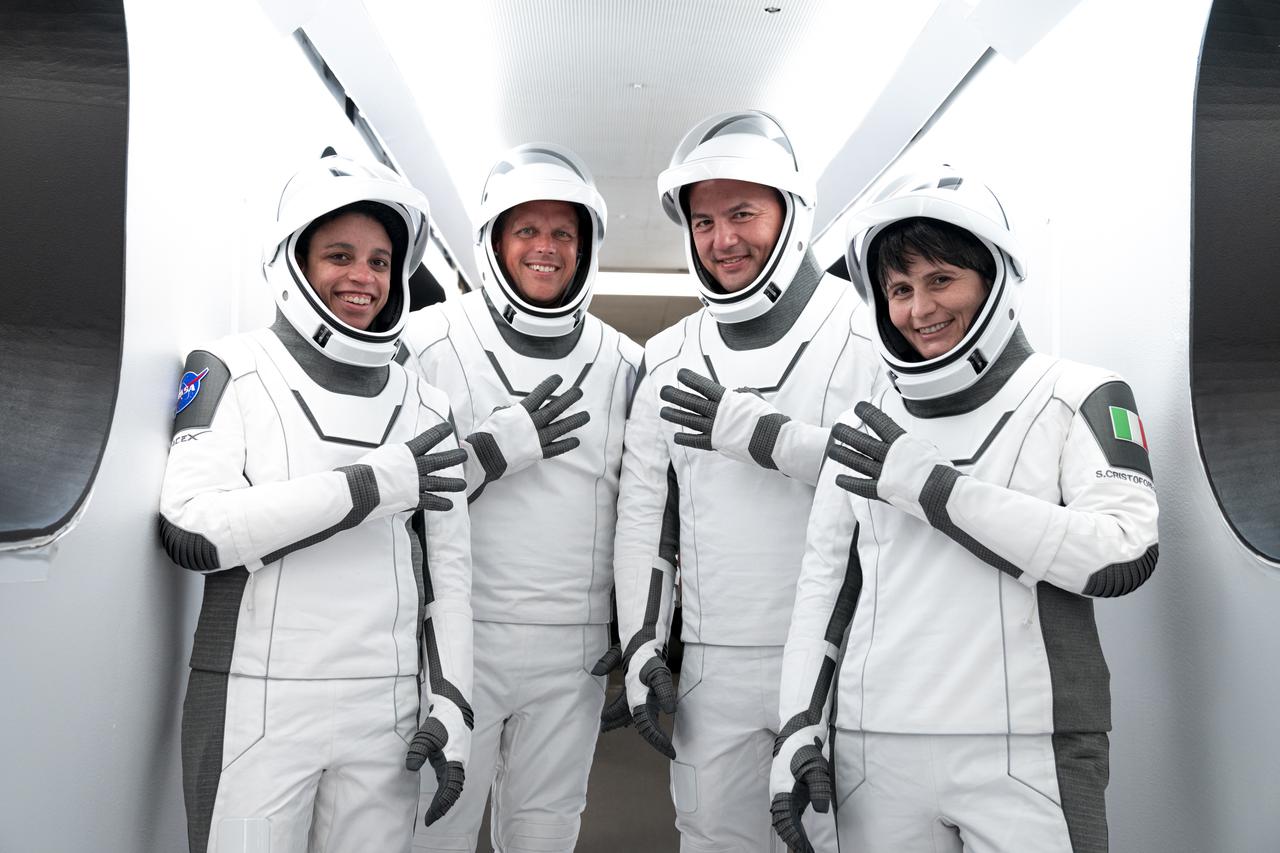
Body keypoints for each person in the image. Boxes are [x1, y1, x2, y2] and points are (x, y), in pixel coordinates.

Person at [770, 167, 1159, 853]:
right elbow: (824, 588)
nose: (919, 309)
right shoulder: (866, 422)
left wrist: (937, 491)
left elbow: (1123, 551)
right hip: (875, 747)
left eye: (940, 279)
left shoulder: (1081, 395)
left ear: (994, 279)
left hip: (1029, 749)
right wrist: (799, 723)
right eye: (899, 288)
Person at [158, 152, 474, 853]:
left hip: (386, 712)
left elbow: (449, 578)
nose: (364, 278)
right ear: (293, 262)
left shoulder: (427, 400)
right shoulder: (228, 368)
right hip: (257, 707)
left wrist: (453, 699)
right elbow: (192, 529)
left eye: (380, 262)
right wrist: (368, 485)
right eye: (340, 255)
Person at [607, 110, 877, 853]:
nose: (722, 239)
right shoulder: (667, 357)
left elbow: (901, 486)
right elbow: (643, 519)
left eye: (742, 213)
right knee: (710, 837)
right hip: (713, 667)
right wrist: (640, 640)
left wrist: (770, 440)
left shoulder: (866, 334)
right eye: (702, 222)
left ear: (791, 212)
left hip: (843, 661)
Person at [402, 142, 641, 853]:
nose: (546, 248)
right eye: (526, 231)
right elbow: (387, 495)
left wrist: (642, 627)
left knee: (545, 832)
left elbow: (647, 507)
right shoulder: (427, 340)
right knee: (432, 829)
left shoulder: (626, 362)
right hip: (453, 640)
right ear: (493, 242)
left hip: (573, 651)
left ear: (587, 246)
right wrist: (487, 453)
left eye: (562, 233)